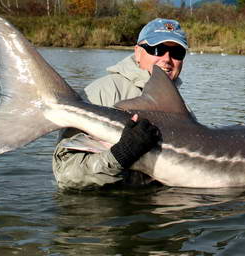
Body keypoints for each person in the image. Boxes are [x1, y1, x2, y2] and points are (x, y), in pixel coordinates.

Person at [52, 18, 190, 190]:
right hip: (103, 212)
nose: (167, 59)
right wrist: (120, 155)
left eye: (177, 53)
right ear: (138, 52)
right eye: (157, 49)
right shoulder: (101, 93)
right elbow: (66, 175)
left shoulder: (182, 110)